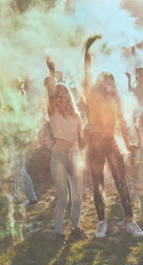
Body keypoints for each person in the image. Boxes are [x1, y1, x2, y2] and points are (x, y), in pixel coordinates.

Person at [86, 72, 143, 238]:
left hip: (111, 142)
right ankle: (101, 223)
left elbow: (122, 121)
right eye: (105, 82)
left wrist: (128, 143)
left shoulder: (115, 99)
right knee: (98, 184)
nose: (108, 85)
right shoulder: (92, 97)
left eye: (110, 82)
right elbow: (90, 125)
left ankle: (130, 221)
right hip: (95, 145)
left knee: (122, 182)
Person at [45, 57, 85, 244]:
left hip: (75, 156)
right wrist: (52, 73)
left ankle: (75, 228)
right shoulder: (52, 111)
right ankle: (59, 232)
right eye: (58, 95)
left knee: (77, 197)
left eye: (64, 94)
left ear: (69, 95)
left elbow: (81, 138)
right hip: (59, 156)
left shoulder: (76, 115)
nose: (61, 98)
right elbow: (50, 93)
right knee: (63, 197)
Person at [126, 68, 143, 160]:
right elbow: (130, 90)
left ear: (142, 75)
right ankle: (141, 153)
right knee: (138, 132)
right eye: (136, 74)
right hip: (136, 110)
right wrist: (129, 79)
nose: (137, 76)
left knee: (141, 132)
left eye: (138, 74)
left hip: (140, 111)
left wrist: (139, 111)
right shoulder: (138, 84)